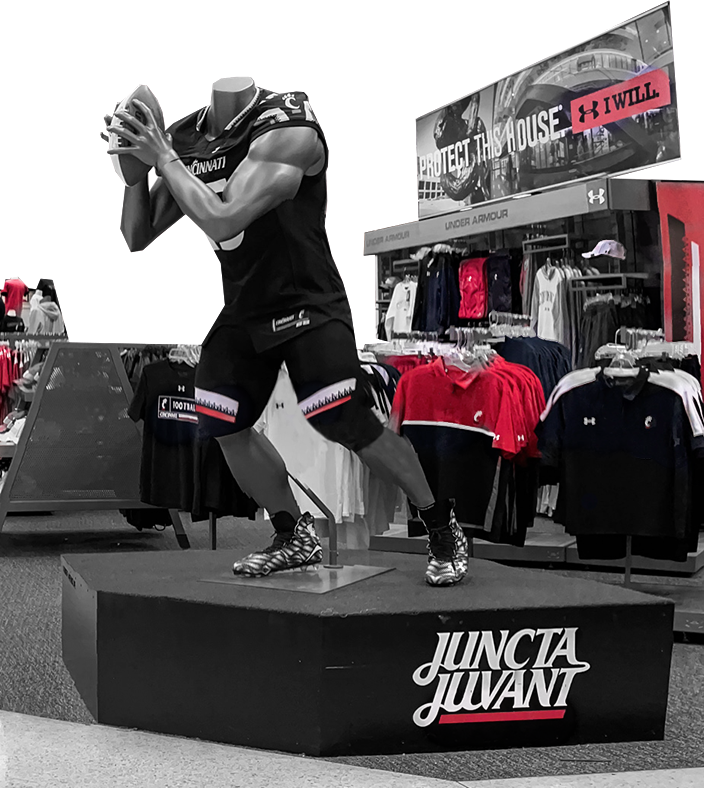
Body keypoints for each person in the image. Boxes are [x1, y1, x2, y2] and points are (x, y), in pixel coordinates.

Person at [108, 77, 469, 586]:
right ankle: (292, 533)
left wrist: (162, 155)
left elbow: (223, 220)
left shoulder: (288, 125)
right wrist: (132, 173)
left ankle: (439, 524)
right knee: (219, 418)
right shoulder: (190, 138)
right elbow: (139, 237)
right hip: (242, 306)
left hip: (304, 300)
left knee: (341, 418)